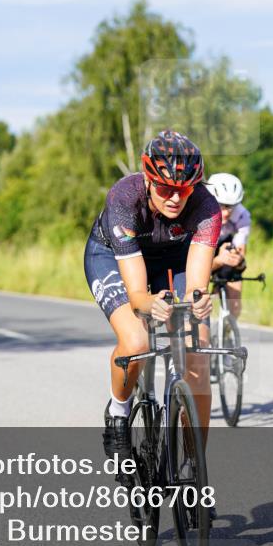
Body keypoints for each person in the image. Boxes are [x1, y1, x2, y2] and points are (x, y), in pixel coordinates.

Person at [84, 130, 221, 465]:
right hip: (113, 256)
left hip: (173, 259)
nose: (175, 198)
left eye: (184, 189)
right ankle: (119, 412)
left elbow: (196, 286)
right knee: (137, 341)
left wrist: (199, 300)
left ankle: (194, 466)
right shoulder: (124, 198)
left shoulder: (207, 207)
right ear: (147, 180)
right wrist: (149, 303)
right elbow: (136, 295)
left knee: (197, 353)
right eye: (165, 188)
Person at [205, 173, 251, 319]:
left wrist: (237, 260)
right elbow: (194, 265)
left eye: (231, 207)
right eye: (221, 206)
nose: (226, 213)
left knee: (235, 306)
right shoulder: (199, 213)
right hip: (203, 246)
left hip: (225, 244)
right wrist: (217, 261)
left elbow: (240, 252)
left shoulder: (242, 215)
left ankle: (228, 326)